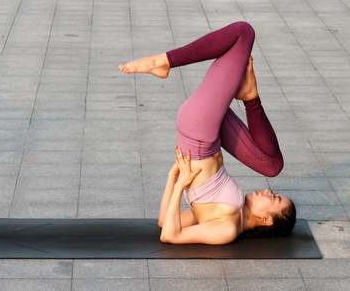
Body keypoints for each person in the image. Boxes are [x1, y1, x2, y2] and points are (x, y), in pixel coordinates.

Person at [119, 21, 296, 245]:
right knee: (272, 165)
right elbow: (165, 220)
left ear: (267, 220)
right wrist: (171, 178)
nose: (268, 192)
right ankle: (250, 96)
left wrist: (181, 182)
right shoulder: (233, 211)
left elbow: (169, 234)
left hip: (198, 131)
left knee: (243, 32)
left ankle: (161, 62)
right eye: (275, 194)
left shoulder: (228, 228)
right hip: (208, 132)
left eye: (275, 199)